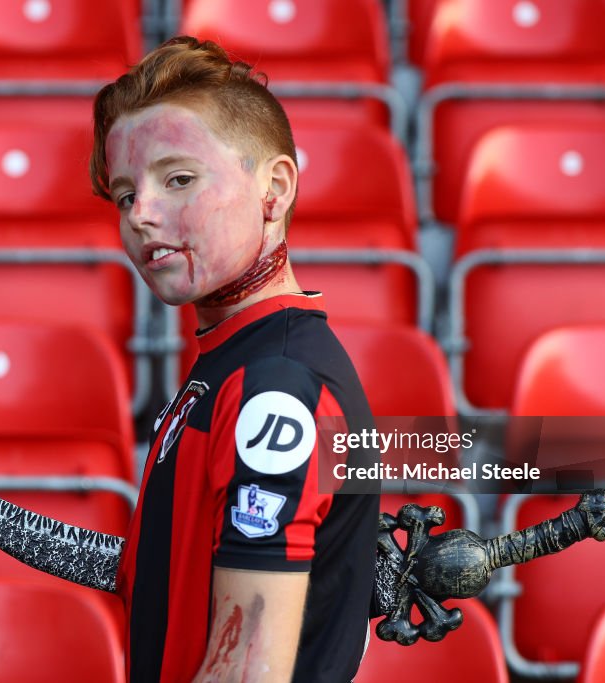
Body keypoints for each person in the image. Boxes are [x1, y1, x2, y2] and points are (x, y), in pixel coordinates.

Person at [90, 36, 380, 682]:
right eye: (124, 194)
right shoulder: (234, 364)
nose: (142, 213)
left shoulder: (276, 386)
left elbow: (247, 673)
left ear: (274, 190)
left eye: (180, 179)